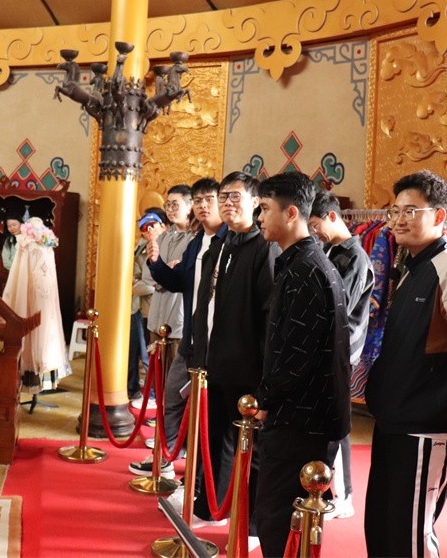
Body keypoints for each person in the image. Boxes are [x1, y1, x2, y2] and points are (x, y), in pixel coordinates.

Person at [364, 170, 447, 558]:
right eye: (395, 211)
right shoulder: (413, 267)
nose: (399, 220)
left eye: (411, 211)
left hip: (426, 429)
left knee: (410, 536)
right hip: (394, 420)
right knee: (381, 528)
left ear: (440, 216)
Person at [252, 172, 351, 556]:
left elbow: (295, 354)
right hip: (303, 416)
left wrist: (265, 398)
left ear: (291, 213)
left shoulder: (306, 270)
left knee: (279, 518)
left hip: (302, 420)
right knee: (283, 518)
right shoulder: (302, 263)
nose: (260, 218)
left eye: (265, 209)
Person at [190, 171, 277, 531]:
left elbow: (269, 316)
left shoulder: (264, 248)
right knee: (214, 440)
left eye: (235, 196)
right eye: (223, 196)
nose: (227, 203)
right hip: (214, 362)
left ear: (256, 202)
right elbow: (206, 306)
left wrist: (264, 376)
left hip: (247, 367)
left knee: (250, 447)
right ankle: (212, 507)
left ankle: (252, 524)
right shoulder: (220, 244)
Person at [133, 178, 225, 477]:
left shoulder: (228, 242)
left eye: (208, 200)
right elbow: (174, 280)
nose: (202, 206)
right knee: (171, 396)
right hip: (188, 337)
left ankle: (196, 475)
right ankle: (167, 457)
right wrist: (157, 263)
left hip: (203, 336)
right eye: (198, 200)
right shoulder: (194, 241)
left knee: (202, 410)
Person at [309, 190, 375, 518]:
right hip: (326, 349)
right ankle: (329, 488)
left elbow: (339, 307)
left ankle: (345, 496)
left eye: (315, 225)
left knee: (338, 424)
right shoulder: (330, 250)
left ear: (332, 217)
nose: (313, 232)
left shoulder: (355, 258)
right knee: (327, 424)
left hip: (342, 352)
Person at [1, 217, 71, 394]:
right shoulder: (24, 242)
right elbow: (19, 270)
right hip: (30, 289)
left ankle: (43, 375)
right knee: (31, 329)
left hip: (47, 292)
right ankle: (28, 377)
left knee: (47, 330)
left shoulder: (47, 242)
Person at [144, 185, 193, 361]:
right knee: (155, 372)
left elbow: (182, 276)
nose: (170, 209)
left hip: (177, 319)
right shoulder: (163, 236)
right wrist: (165, 273)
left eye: (175, 205)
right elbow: (147, 274)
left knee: (174, 372)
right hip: (156, 317)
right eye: (168, 205)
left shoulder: (195, 239)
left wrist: (163, 273)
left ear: (190, 206)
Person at [129, 209, 166, 409]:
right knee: (147, 353)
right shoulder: (141, 250)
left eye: (153, 225)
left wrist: (159, 283)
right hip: (144, 309)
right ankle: (150, 394)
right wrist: (156, 285)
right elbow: (133, 282)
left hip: (166, 310)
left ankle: (158, 396)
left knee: (160, 356)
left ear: (163, 226)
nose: (149, 230)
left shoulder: (170, 246)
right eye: (145, 228)